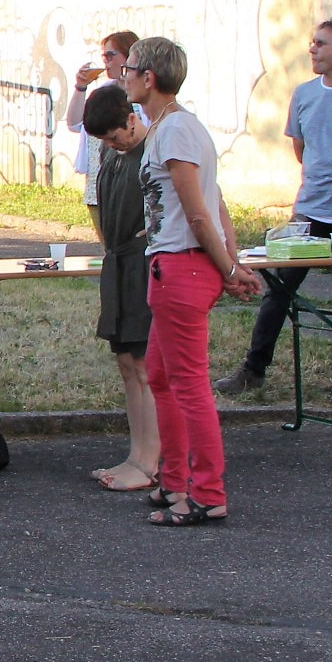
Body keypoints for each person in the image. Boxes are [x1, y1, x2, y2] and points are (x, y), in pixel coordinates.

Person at [215, 20, 332, 401]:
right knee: (279, 288)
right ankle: (253, 369)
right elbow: (301, 149)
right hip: (311, 209)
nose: (312, 49)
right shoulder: (303, 94)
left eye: (320, 43)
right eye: (311, 42)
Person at [122, 36, 263, 526]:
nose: (124, 77)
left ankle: (207, 493)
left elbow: (203, 211)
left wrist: (229, 268)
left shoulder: (177, 129)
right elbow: (207, 202)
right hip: (174, 262)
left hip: (183, 268)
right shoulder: (169, 127)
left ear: (149, 78)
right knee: (161, 376)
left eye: (130, 69)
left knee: (188, 384)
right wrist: (228, 261)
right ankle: (175, 479)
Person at [82, 83, 161, 492]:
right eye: (105, 140)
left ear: (132, 119)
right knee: (128, 365)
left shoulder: (154, 151)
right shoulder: (110, 154)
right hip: (117, 263)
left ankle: (151, 462)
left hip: (143, 265)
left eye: (115, 136)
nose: (112, 144)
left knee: (146, 367)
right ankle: (135, 455)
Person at [63, 31, 141, 212]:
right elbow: (74, 124)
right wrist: (81, 86)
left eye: (111, 55)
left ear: (129, 56)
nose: (106, 61)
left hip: (130, 184)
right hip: (98, 187)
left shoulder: (141, 96)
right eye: (104, 56)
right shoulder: (102, 94)